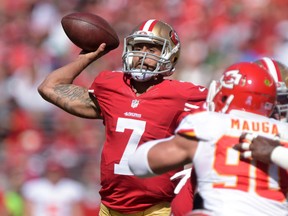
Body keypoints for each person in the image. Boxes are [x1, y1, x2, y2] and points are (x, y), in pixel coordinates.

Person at [38, 19, 207, 215]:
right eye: (138, 46)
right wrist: (87, 57)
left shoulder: (183, 93)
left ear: (170, 54)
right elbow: (49, 87)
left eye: (152, 49)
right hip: (110, 207)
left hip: (157, 208)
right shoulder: (110, 84)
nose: (142, 54)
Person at [128, 62, 288, 216]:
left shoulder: (207, 123)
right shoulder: (283, 132)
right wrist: (277, 153)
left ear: (225, 95)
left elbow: (139, 164)